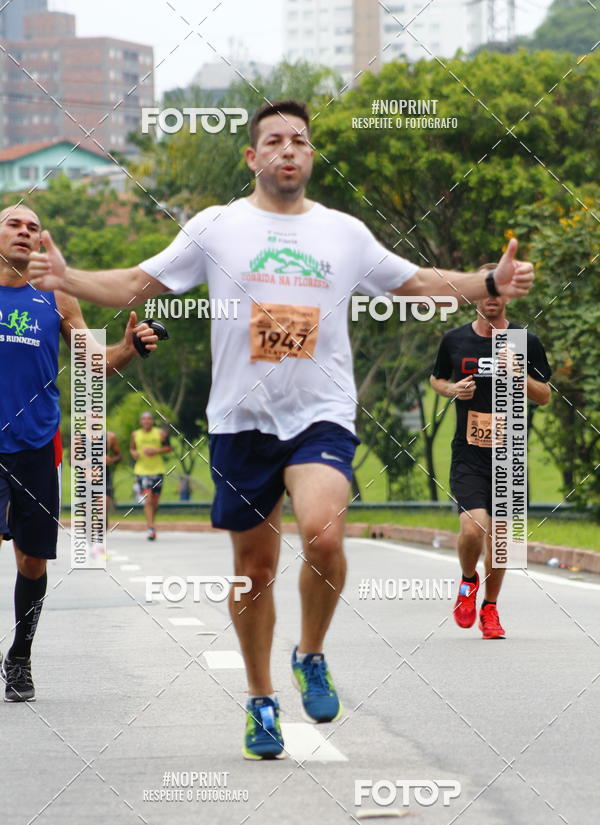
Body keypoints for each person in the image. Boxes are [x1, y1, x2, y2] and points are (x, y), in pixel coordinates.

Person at [27, 100, 535, 756]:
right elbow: (134, 284)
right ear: (253, 157)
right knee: (255, 569)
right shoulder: (217, 227)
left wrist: (487, 280)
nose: (287, 149)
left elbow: (416, 283)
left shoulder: (343, 234)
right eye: (274, 140)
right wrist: (66, 277)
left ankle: (312, 654)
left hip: (320, 413)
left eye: (299, 140)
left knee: (323, 535)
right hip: (241, 422)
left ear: (310, 156)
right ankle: (261, 699)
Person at [0, 204, 159, 702]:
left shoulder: (58, 296)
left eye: (33, 227)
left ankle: (20, 656)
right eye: (13, 224)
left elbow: (95, 364)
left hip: (36, 445)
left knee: (32, 561)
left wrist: (130, 347)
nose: (24, 232)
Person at [430, 263, 551, 639]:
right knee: (473, 528)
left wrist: (520, 376)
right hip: (469, 450)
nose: (492, 301)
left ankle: (491, 609)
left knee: (502, 540)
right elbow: (436, 378)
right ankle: (468, 582)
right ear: (475, 296)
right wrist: (452, 391)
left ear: (508, 296)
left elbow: (545, 396)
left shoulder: (524, 341)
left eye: (498, 294)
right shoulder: (455, 340)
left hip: (509, 453)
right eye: (486, 293)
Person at [130, 411, 171, 540]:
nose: (146, 421)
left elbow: (169, 448)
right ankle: (150, 528)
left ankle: (151, 522)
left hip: (157, 470)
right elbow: (132, 448)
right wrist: (134, 453)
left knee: (155, 502)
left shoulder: (160, 433)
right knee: (148, 499)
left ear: (152, 421)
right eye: (144, 419)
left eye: (149, 419)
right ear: (141, 422)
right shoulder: (135, 434)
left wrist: (156, 450)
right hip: (141, 471)